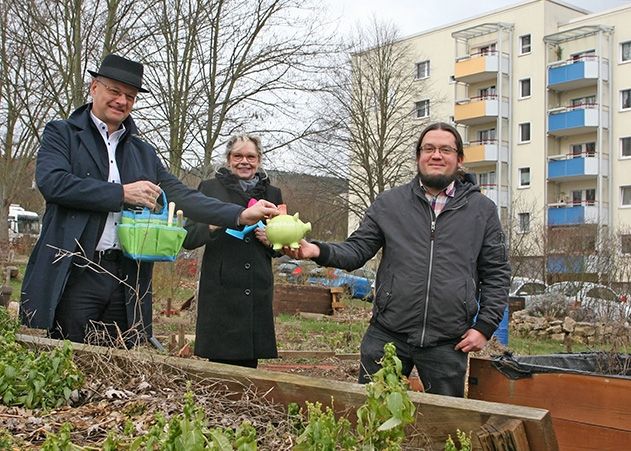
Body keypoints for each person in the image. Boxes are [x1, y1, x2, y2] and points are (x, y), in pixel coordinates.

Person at [20, 54, 279, 346]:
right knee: (72, 358)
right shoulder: (63, 134)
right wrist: (120, 193)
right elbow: (53, 183)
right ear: (94, 87)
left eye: (130, 96)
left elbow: (183, 195)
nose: (122, 101)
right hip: (78, 270)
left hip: (128, 276)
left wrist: (239, 215)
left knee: (120, 367)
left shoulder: (143, 152)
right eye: (115, 91)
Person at [287, 122, 510, 397]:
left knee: (446, 428)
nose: (436, 155)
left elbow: (497, 274)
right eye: (428, 148)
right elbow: (356, 250)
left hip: (448, 341)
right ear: (418, 156)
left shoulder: (482, 211)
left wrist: (484, 327)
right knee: (372, 418)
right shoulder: (390, 203)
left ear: (459, 159)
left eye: (445, 149)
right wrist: (316, 251)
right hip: (388, 333)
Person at [182, 135, 282, 368]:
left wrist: (273, 241)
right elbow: (188, 237)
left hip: (256, 286)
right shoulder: (209, 189)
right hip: (221, 289)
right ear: (228, 159)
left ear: (259, 160)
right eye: (238, 156)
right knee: (219, 366)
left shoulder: (272, 194)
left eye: (251, 156)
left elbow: (285, 243)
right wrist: (217, 222)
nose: (244, 161)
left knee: (250, 366)